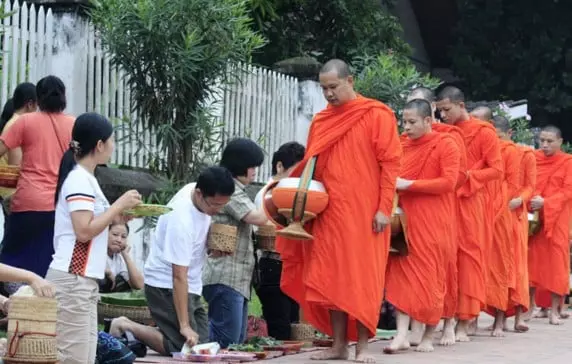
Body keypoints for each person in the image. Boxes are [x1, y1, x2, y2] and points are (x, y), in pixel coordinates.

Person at [276, 59, 401, 363]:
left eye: (333, 87)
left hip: (365, 212)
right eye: (323, 89)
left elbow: (391, 165)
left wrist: (384, 208)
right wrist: (296, 200)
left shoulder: (376, 115)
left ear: (350, 81)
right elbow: (312, 166)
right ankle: (338, 345)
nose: (328, 94)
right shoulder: (321, 120)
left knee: (360, 278)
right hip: (329, 212)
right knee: (331, 279)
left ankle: (361, 349)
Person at [45, 112, 142, 364]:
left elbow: (93, 224)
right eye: (112, 141)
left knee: (85, 358)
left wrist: (118, 216)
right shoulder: (79, 179)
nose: (113, 146)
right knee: (73, 358)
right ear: (99, 145)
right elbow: (84, 231)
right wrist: (117, 205)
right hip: (73, 279)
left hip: (83, 281)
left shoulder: (87, 178)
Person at [109, 166, 235, 355]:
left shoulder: (198, 190)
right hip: (165, 284)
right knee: (183, 348)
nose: (217, 210)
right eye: (214, 205)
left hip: (190, 284)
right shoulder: (181, 220)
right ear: (199, 194)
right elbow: (178, 276)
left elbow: (193, 250)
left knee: (202, 345)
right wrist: (184, 325)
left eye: (222, 205)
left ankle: (163, 330)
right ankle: (124, 325)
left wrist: (211, 249)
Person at [384, 99, 460, 354]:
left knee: (431, 279)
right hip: (405, 220)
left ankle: (428, 334)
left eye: (412, 122)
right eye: (404, 122)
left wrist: (410, 185)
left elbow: (449, 182)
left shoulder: (445, 144)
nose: (406, 127)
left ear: (428, 121)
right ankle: (401, 334)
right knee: (402, 275)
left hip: (434, 221)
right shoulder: (402, 146)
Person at [436, 86, 503, 341]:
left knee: (469, 260)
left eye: (446, 109)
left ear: (461, 105)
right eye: (439, 110)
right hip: (447, 199)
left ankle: (464, 321)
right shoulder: (443, 132)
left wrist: (468, 176)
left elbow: (497, 170)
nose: (443, 115)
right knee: (446, 258)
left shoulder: (484, 132)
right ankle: (445, 319)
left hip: (472, 202)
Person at [0, 76, 75, 295]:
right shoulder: (73, 124)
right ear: (63, 96)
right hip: (60, 204)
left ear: (38, 98)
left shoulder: (25, 122)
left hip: (28, 201)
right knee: (48, 259)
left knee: (12, 257)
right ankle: (41, 305)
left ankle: (13, 302)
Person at [406, 87, 468, 346]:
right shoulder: (403, 140)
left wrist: (409, 185)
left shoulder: (450, 138)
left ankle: (448, 322)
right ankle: (411, 328)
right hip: (408, 213)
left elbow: (457, 178)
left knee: (439, 269)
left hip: (441, 211)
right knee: (409, 270)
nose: (407, 124)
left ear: (430, 110)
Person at [202, 138, 268, 348]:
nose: (255, 171)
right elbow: (256, 217)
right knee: (225, 340)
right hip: (226, 276)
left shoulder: (235, 188)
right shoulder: (229, 188)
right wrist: (278, 197)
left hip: (237, 279)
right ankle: (180, 336)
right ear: (241, 165)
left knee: (235, 342)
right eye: (252, 166)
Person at [254, 141, 305, 340]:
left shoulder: (286, 191)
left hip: (286, 263)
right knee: (281, 328)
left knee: (292, 324)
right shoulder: (269, 193)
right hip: (273, 264)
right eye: (297, 171)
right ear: (279, 166)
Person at [527, 125, 572, 325]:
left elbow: (568, 191)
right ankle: (531, 306)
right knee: (533, 263)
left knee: (557, 264)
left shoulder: (568, 162)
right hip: (535, 218)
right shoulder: (531, 159)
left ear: (560, 142)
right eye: (542, 140)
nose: (544, 145)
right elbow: (526, 185)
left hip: (558, 219)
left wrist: (546, 202)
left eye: (549, 141)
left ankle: (555, 309)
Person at [483, 115, 521, 336]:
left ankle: (499, 319)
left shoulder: (511, 151)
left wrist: (496, 206)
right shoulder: (486, 148)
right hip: (481, 210)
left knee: (499, 266)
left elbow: (512, 184)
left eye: (498, 137)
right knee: (481, 266)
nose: (495, 142)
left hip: (501, 213)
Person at [99, 220, 144, 293]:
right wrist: (108, 272)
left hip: (109, 297)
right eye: (115, 234)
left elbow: (139, 285)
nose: (119, 240)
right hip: (93, 295)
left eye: (123, 236)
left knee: (122, 282)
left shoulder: (119, 257)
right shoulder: (95, 251)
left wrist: (126, 256)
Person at [0, 82, 38, 166]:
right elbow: (15, 166)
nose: (37, 111)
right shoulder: (17, 124)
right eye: (37, 105)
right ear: (30, 104)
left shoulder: (14, 122)